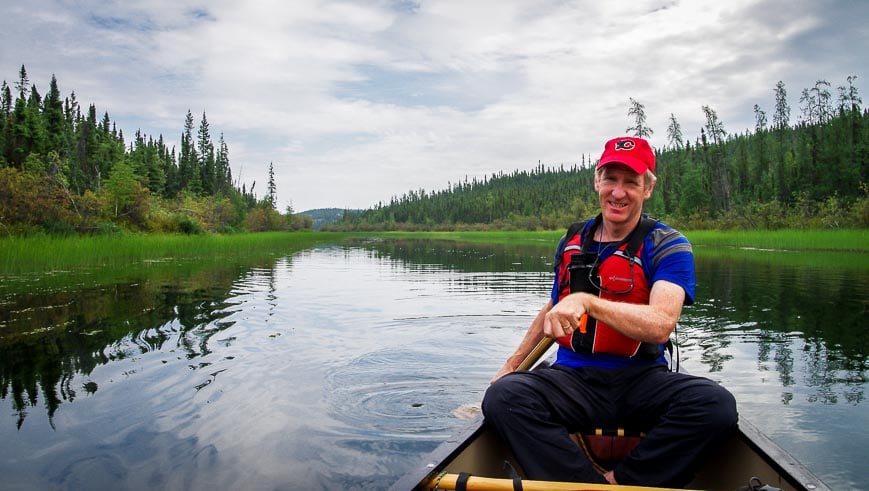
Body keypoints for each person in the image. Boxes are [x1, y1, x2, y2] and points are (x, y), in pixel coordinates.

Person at [481, 136, 738, 487]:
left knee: (715, 406)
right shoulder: (571, 241)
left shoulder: (668, 244)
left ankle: (622, 481)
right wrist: (511, 366)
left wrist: (588, 302)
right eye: (611, 179)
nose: (618, 193)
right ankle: (586, 483)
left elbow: (661, 325)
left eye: (631, 182)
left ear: (648, 188)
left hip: (643, 381)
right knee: (503, 397)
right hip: (574, 380)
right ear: (597, 181)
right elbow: (553, 309)